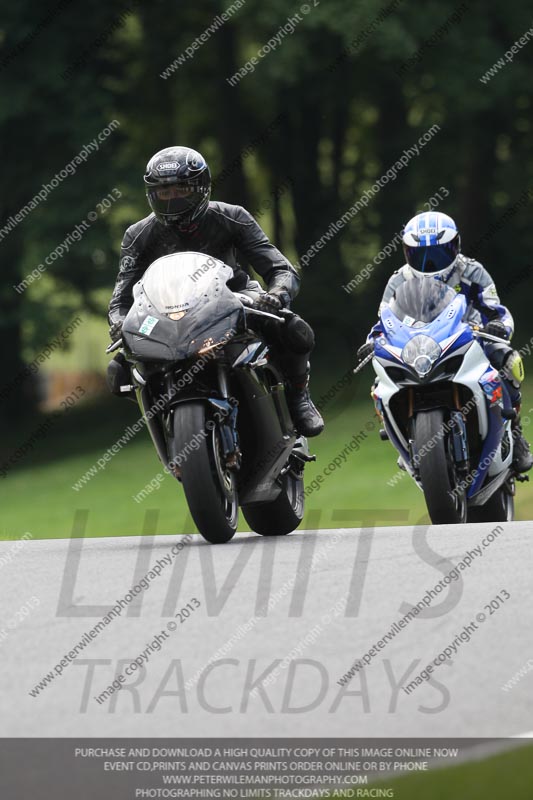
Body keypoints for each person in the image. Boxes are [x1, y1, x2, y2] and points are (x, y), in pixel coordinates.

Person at [106, 145, 324, 437]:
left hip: (233, 298)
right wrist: (119, 322)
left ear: (201, 187)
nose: (172, 199)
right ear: (151, 194)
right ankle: (165, 424)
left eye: (181, 189)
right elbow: (121, 296)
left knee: (295, 329)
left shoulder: (232, 216)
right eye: (164, 192)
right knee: (119, 369)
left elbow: (281, 270)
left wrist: (277, 294)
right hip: (165, 312)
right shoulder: (138, 234)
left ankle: (299, 397)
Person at [358, 211, 532, 473]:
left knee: (508, 360)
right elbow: (385, 320)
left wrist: (498, 327)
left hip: (470, 336)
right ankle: (404, 437)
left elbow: (496, 310)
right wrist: (372, 340)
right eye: (420, 255)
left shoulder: (472, 270)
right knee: (379, 382)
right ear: (407, 252)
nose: (429, 263)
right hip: (416, 346)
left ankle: (516, 433)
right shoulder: (398, 280)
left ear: (456, 246)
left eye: (438, 253)